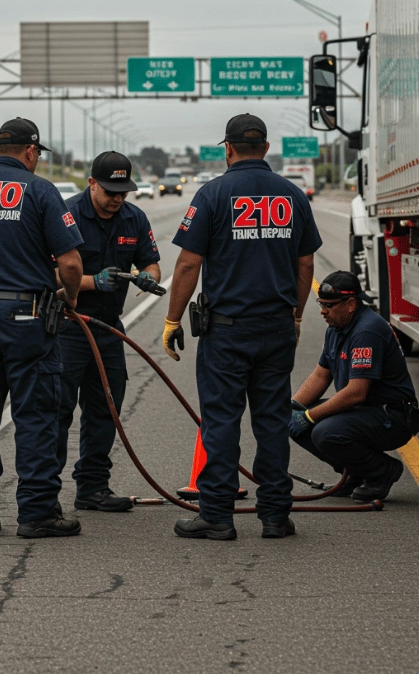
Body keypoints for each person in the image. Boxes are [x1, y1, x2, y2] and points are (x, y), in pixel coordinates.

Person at [163, 113, 321, 540]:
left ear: (228, 149)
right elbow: (305, 262)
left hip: (227, 330)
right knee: (271, 422)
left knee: (221, 420)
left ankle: (216, 515)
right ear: (266, 148)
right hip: (277, 326)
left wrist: (173, 319)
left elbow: (188, 263)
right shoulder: (292, 195)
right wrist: (297, 313)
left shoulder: (213, 194)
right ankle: (274, 515)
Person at [0, 117, 84, 539]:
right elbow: (72, 263)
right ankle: (38, 512)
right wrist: (70, 298)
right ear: (30, 152)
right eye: (38, 154)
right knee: (37, 414)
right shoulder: (41, 192)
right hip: (26, 317)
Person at [57, 151, 162, 512]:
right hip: (68, 327)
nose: (117, 199)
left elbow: (151, 261)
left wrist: (149, 277)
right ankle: (42, 494)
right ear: (91, 183)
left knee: (107, 408)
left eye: (123, 192)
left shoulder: (134, 218)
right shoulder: (65, 215)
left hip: (108, 329)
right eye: (109, 191)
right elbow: (51, 272)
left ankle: (92, 488)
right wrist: (91, 283)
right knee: (58, 409)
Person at [288, 271, 419, 502]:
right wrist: (294, 408)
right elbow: (321, 375)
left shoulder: (367, 331)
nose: (322, 311)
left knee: (324, 431)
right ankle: (354, 473)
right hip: (365, 412)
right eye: (321, 304)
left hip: (392, 415)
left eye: (329, 305)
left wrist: (309, 417)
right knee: (292, 421)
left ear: (351, 304)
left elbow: (356, 393)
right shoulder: (337, 328)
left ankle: (381, 471)